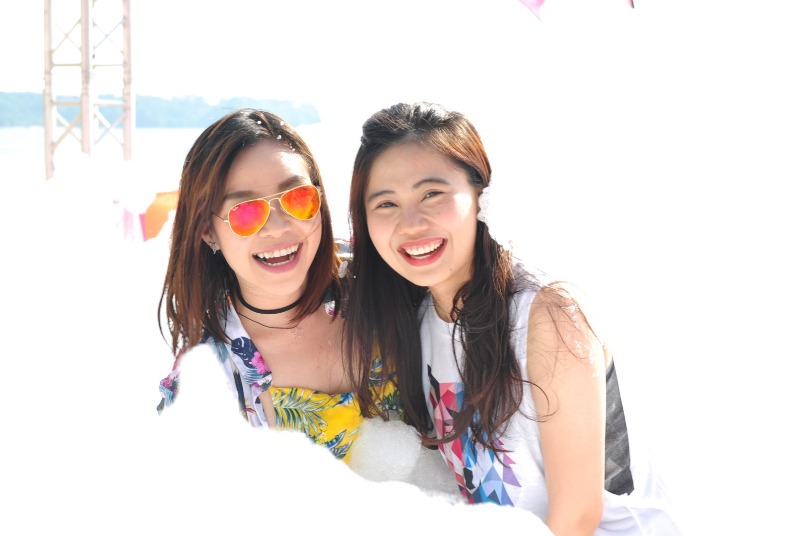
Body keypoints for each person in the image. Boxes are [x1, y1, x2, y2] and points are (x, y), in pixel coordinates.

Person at [345, 101, 681, 534]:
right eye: (386, 204)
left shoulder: (548, 313)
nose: (411, 223)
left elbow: (577, 517)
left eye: (432, 194)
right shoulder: (420, 319)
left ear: (480, 196)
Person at [155, 108, 399, 463]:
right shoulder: (205, 386)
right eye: (245, 212)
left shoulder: (386, 274)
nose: (278, 227)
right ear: (208, 231)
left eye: (297, 198)